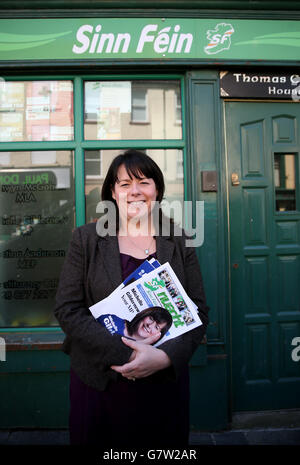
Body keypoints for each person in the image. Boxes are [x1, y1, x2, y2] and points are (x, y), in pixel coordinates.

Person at [54, 149, 209, 447]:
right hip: (101, 381)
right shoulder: (86, 239)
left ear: (157, 190)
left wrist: (163, 358)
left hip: (163, 383)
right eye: (124, 184)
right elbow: (67, 309)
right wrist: (130, 355)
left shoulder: (179, 239)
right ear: (112, 192)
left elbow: (199, 311)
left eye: (144, 182)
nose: (135, 191)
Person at [97, 306, 173, 343]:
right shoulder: (112, 319)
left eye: (156, 327)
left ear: (158, 335)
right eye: (151, 319)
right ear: (144, 315)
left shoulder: (144, 357)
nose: (150, 325)